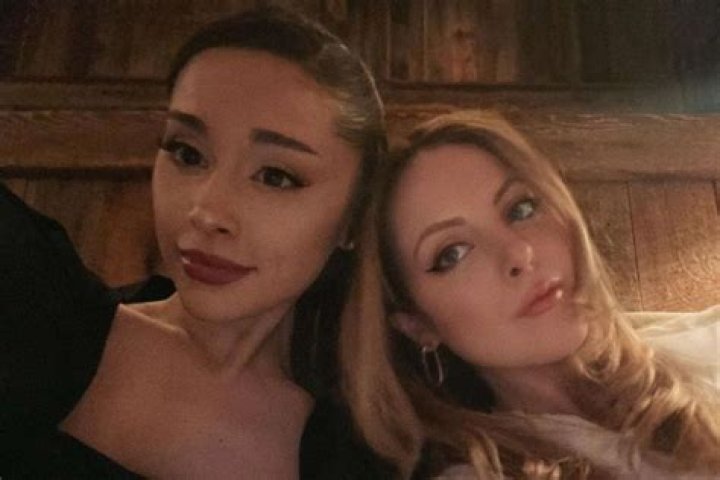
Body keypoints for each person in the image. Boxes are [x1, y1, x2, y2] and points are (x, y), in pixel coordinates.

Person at [1, 6, 393, 479]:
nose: (207, 212)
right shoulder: (36, 307)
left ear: (353, 219)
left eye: (275, 176)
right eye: (187, 153)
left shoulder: (372, 451)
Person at [339, 110, 720, 479]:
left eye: (521, 209)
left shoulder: (696, 354)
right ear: (417, 324)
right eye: (453, 253)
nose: (519, 252)